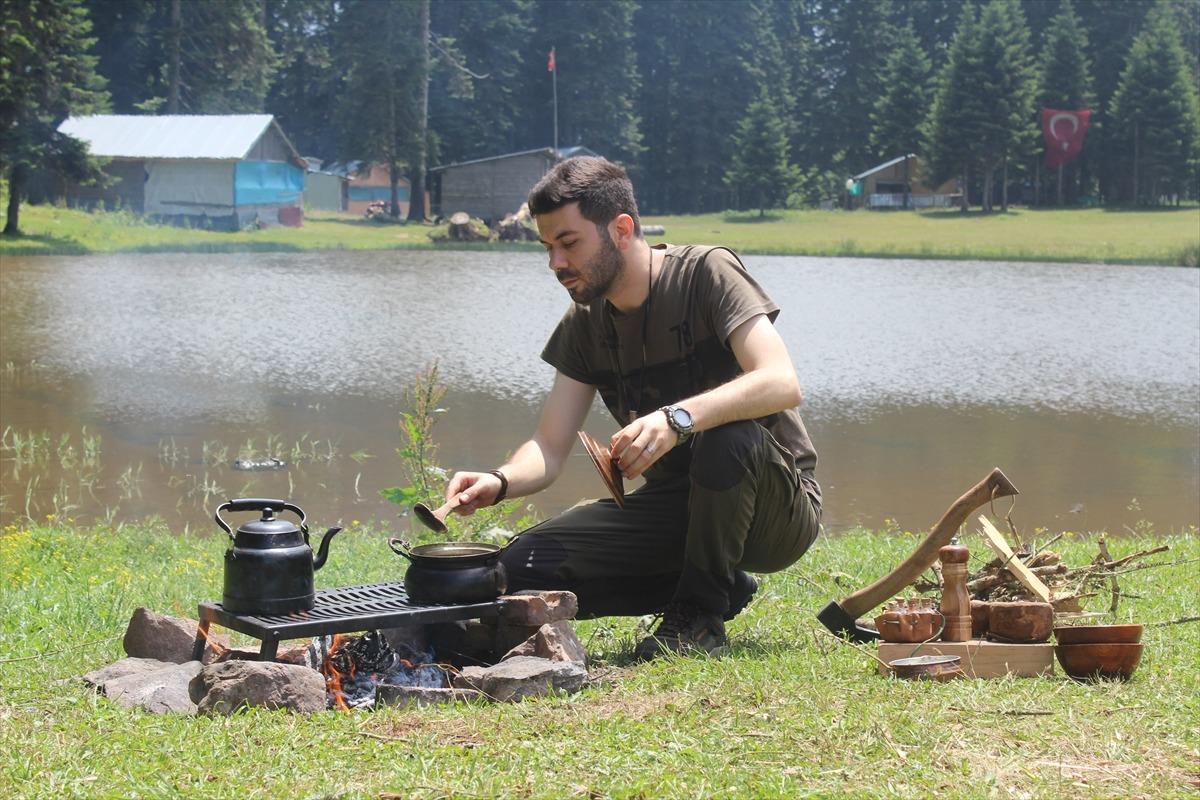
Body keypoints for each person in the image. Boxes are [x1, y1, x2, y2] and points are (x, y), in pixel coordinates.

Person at [442, 156, 821, 660]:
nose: (555, 263)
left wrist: (677, 419)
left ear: (621, 228)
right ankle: (716, 584)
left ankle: (698, 616)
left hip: (775, 510)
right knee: (518, 565)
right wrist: (501, 480)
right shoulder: (585, 321)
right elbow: (550, 446)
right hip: (678, 510)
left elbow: (781, 380)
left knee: (727, 436)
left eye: (569, 243)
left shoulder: (707, 273)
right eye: (547, 247)